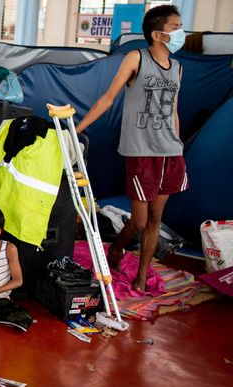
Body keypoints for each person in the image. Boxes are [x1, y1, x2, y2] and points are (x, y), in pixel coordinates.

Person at [75, 5, 187, 292]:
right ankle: (117, 247)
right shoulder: (136, 58)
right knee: (138, 220)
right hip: (141, 152)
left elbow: (173, 110)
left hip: (170, 152)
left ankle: (141, 274)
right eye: (175, 26)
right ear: (157, 33)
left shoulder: (177, 68)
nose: (180, 31)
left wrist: (178, 144)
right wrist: (77, 128)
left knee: (155, 219)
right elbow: (107, 99)